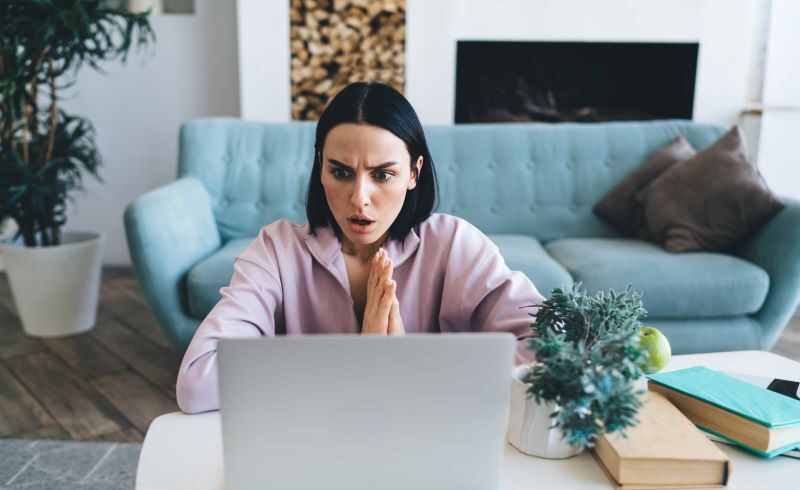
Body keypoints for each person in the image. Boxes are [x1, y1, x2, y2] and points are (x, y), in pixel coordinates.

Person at [176, 81, 544, 414]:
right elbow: (197, 382)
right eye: (341, 172)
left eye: (383, 175)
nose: (359, 199)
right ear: (320, 167)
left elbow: (551, 350)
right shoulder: (276, 251)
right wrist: (358, 359)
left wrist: (407, 365)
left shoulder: (454, 245)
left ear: (414, 173)